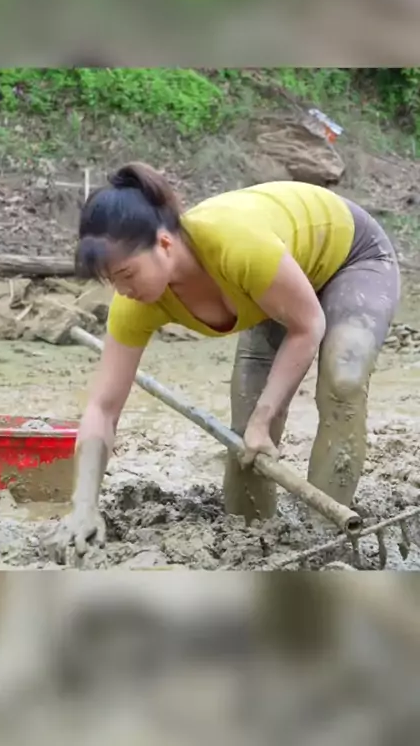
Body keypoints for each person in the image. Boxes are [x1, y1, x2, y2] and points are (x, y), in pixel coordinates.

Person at [52, 162, 401, 562]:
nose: (122, 290)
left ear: (164, 244)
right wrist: (84, 505)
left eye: (127, 274)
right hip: (275, 285)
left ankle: (325, 539)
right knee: (246, 430)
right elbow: (102, 407)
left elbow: (308, 326)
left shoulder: (237, 247)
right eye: (112, 280)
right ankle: (250, 536)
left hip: (352, 257)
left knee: (343, 378)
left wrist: (264, 419)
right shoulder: (134, 304)